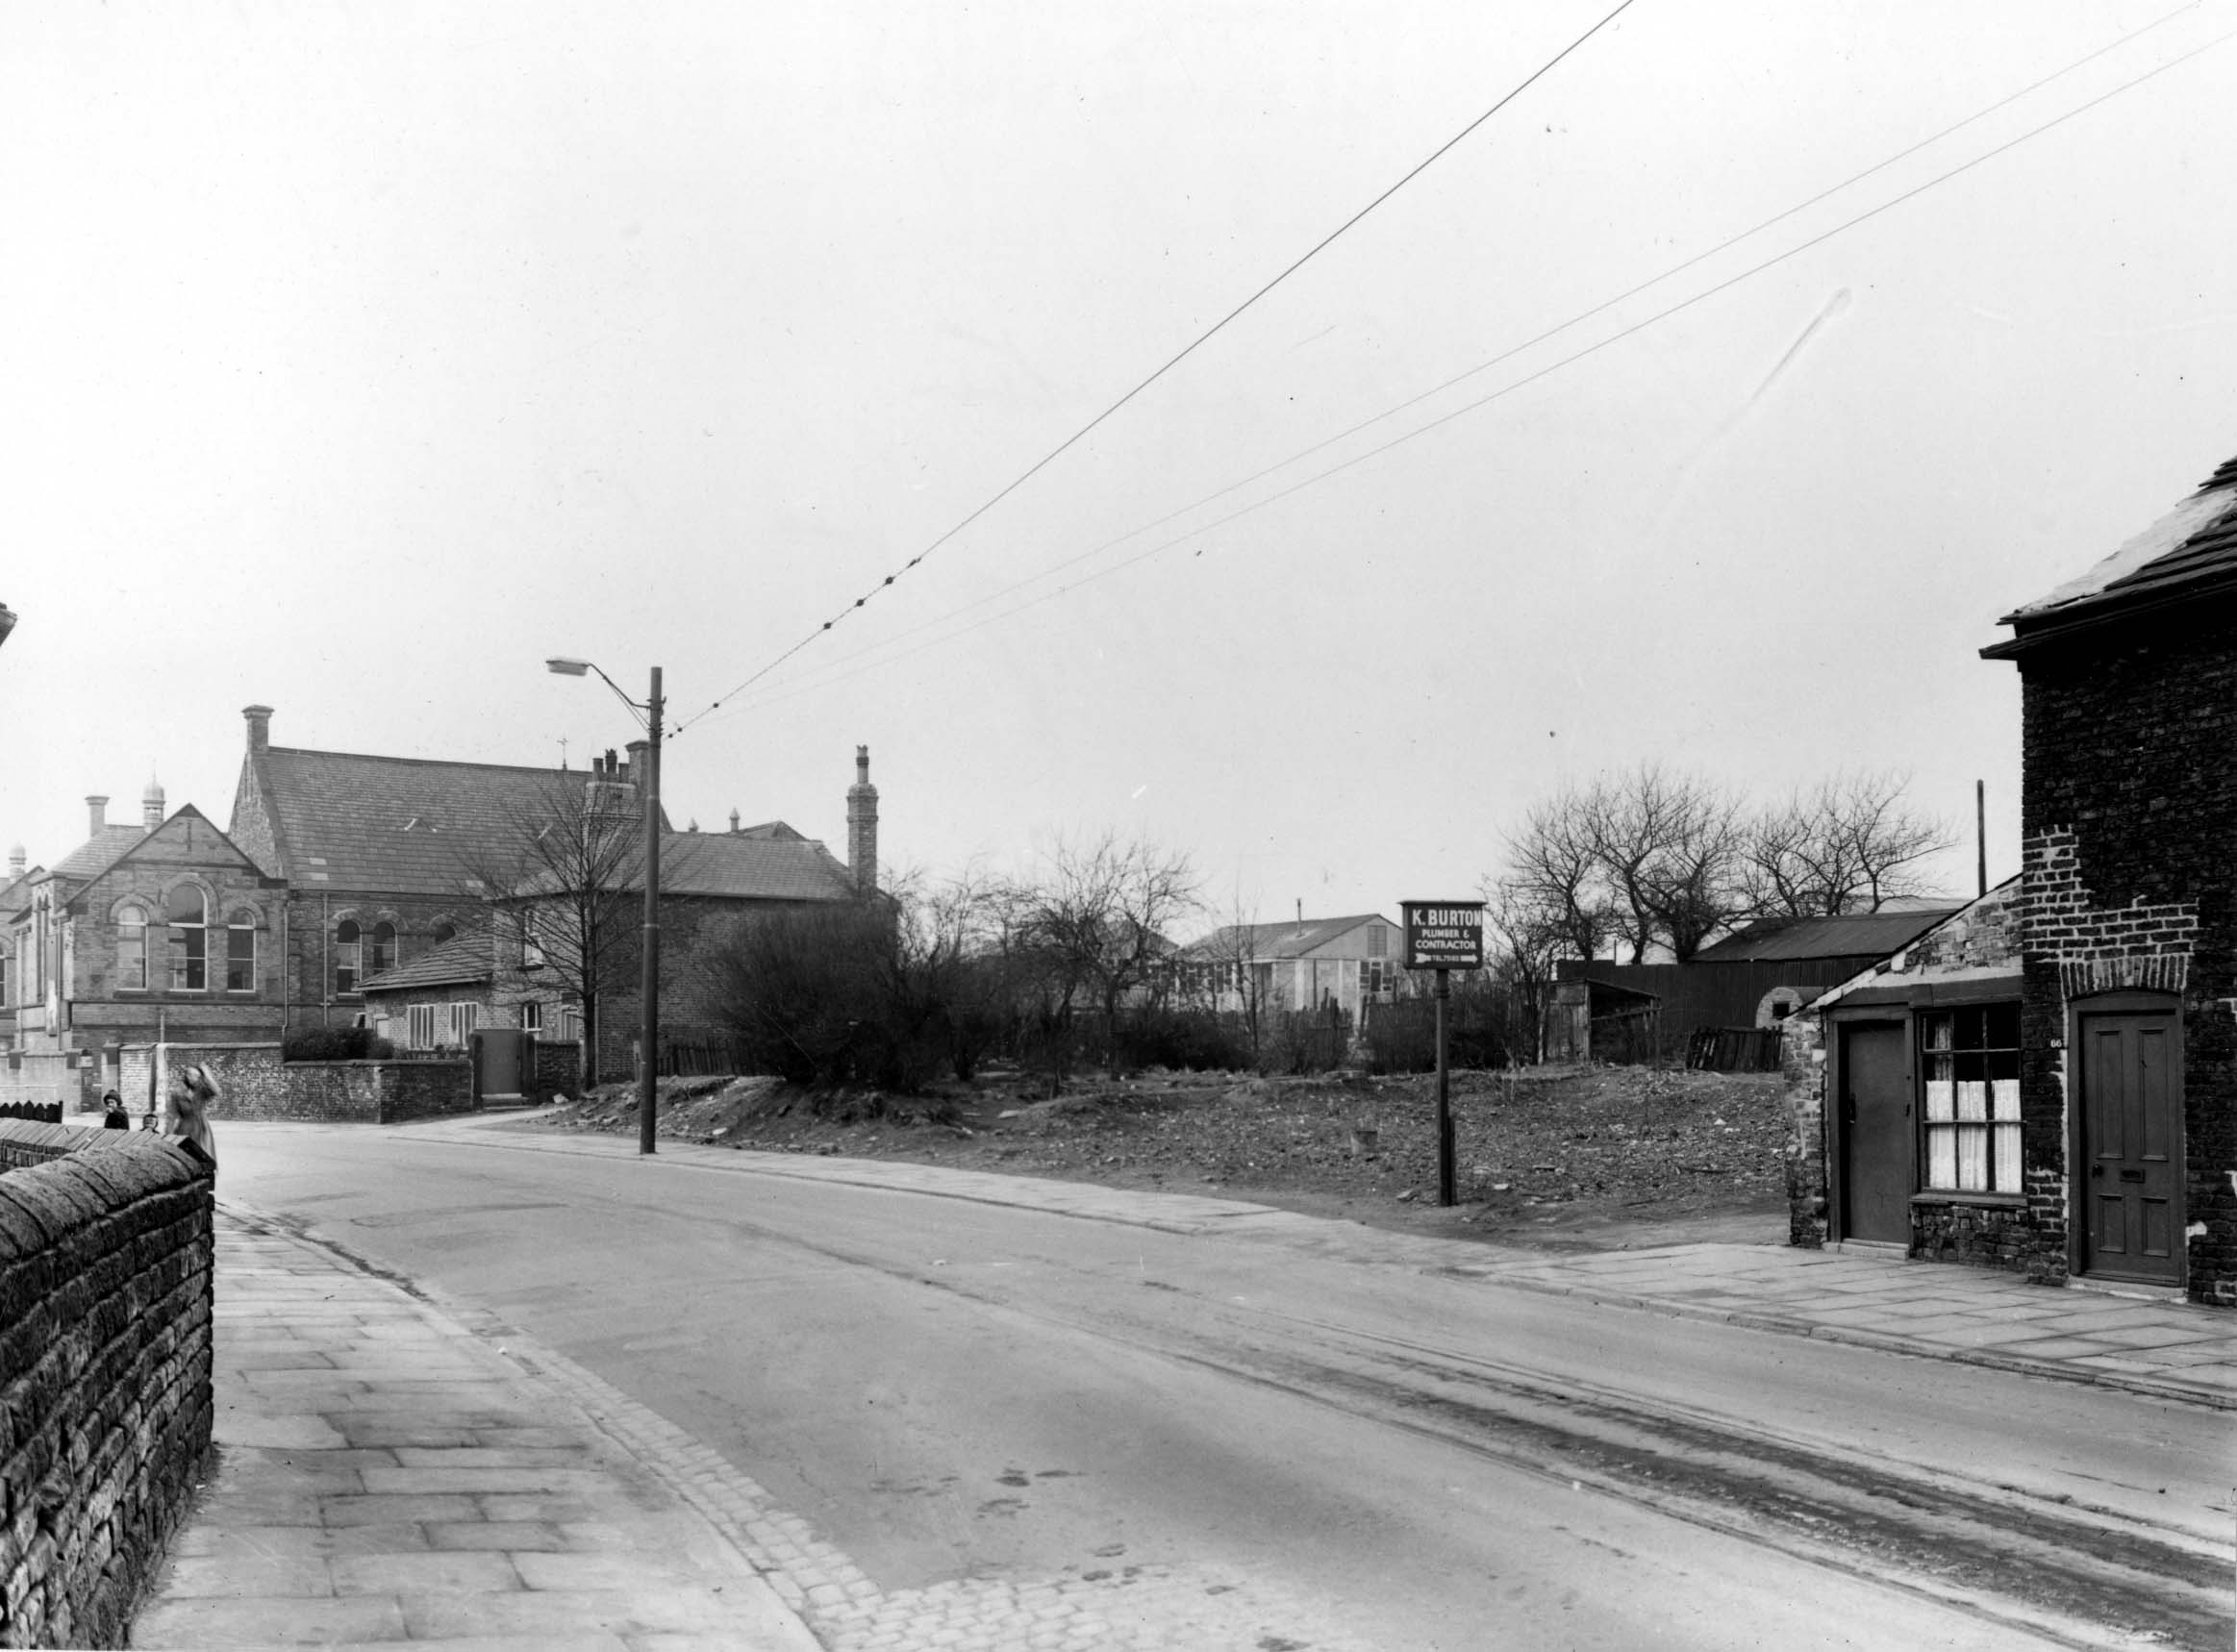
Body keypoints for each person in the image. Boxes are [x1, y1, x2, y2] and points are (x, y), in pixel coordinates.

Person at [166, 1063, 218, 1172]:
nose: (194, 1078)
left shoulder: (202, 1090)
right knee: (185, 1154)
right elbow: (172, 1115)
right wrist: (169, 1133)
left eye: (197, 1076)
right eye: (191, 1075)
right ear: (186, 1075)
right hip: (185, 1126)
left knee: (203, 1155)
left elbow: (216, 1091)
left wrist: (207, 1074)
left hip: (202, 1128)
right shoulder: (177, 1093)